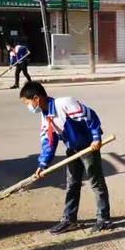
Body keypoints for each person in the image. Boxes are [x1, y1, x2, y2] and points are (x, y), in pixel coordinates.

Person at [20, 81, 111, 234]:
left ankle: (104, 219)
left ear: (36, 98)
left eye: (27, 102)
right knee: (72, 184)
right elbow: (49, 141)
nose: (28, 106)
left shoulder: (65, 103)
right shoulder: (45, 115)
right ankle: (70, 220)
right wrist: (43, 164)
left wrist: (96, 138)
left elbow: (90, 116)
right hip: (72, 149)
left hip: (88, 147)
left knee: (96, 183)